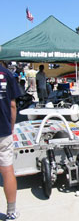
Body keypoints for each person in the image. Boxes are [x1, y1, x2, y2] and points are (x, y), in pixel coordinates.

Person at [0, 60, 21, 220]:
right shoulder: (7, 74)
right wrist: (12, 126)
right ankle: (11, 211)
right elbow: (13, 105)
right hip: (3, 130)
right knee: (7, 170)